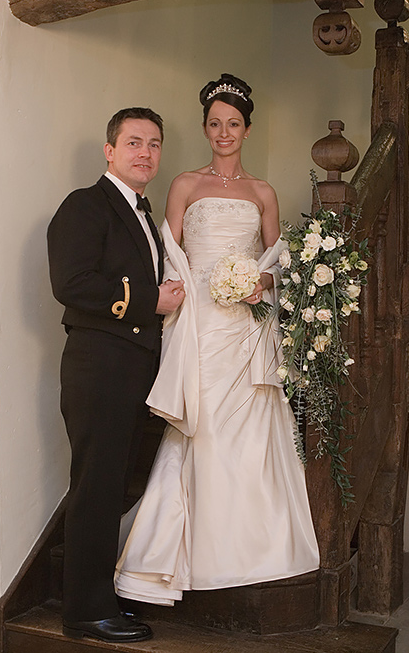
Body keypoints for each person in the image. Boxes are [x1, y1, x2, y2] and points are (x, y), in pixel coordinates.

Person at [114, 75, 319, 605]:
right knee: (200, 430)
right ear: (205, 129)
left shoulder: (262, 192)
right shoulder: (184, 184)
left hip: (244, 329)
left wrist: (260, 282)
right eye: (214, 124)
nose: (223, 133)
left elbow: (282, 265)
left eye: (233, 124)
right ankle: (185, 551)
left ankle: (252, 546)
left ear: (247, 130)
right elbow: (163, 254)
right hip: (201, 325)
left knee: (248, 434)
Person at [47, 107, 186, 642]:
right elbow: (72, 283)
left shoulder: (143, 211)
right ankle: (83, 612)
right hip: (98, 368)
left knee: (112, 488)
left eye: (153, 144)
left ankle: (101, 598)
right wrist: (150, 300)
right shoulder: (85, 206)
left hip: (130, 370)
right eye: (133, 143)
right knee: (95, 489)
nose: (145, 153)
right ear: (109, 151)